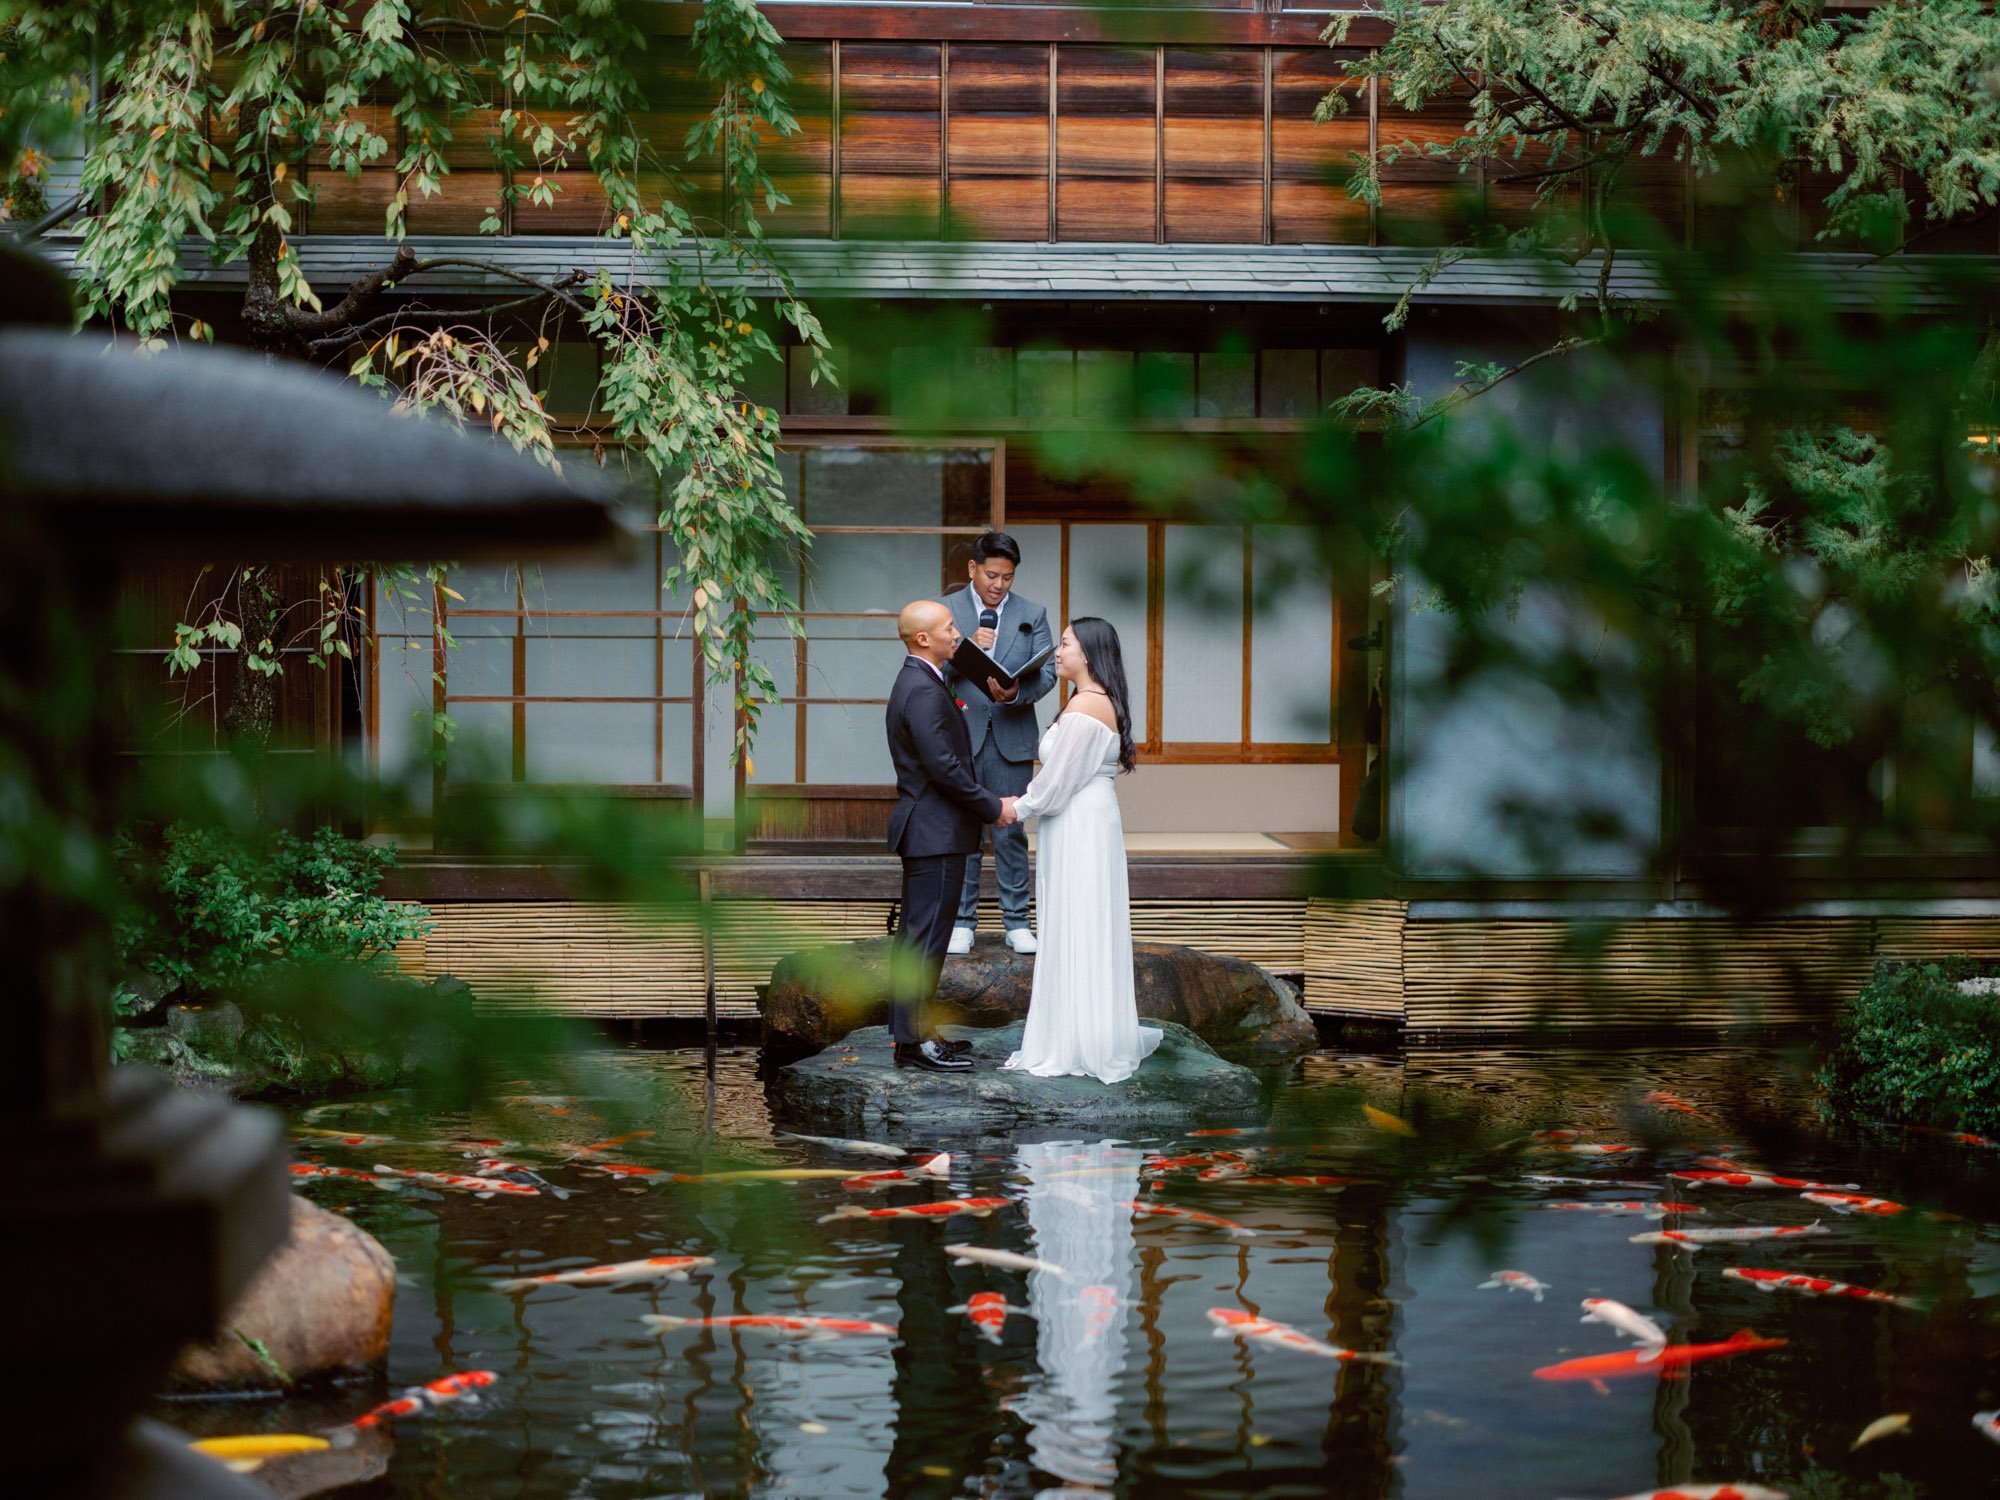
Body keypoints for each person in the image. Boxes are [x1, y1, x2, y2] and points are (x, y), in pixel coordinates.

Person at [998, 617, 1162, 1084]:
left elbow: (1056, 782)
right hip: (1084, 816)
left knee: (1079, 916)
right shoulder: (1088, 701)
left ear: (1087, 654)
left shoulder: (1087, 708)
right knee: (1083, 916)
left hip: (1079, 820)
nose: (1057, 650)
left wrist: (1015, 807)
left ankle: (1076, 1037)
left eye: (1065, 643)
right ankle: (1086, 1026)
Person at [885, 599, 1018, 1073]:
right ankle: (913, 1042)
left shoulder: (928, 679)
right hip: (932, 830)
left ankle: (916, 1035)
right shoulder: (921, 688)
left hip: (937, 830)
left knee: (926, 940)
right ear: (923, 638)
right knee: (922, 942)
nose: (956, 633)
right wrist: (992, 806)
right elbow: (942, 767)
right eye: (948, 628)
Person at [941, 532, 1059, 957]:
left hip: (1011, 734)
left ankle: (1017, 922)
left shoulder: (1033, 612)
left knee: (1010, 833)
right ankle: (960, 922)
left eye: (1007, 577)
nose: (999, 585)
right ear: (972, 569)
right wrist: (966, 648)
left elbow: (1049, 672)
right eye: (992, 575)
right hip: (961, 734)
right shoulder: (946, 610)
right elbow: (931, 667)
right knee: (964, 831)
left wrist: (1018, 694)